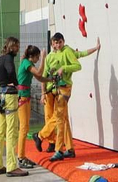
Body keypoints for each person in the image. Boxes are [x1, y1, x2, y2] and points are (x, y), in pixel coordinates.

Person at [40, 32, 98, 162]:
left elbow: (78, 63)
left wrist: (64, 68)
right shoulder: (50, 57)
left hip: (63, 89)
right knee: (60, 118)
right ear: (52, 44)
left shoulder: (67, 51)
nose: (58, 45)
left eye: (60, 42)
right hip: (53, 90)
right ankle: (69, 149)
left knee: (58, 118)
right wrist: (43, 92)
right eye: (55, 43)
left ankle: (51, 144)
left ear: (63, 41)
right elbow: (81, 54)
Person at [0, 37, 28, 177]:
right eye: (17, 46)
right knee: (12, 131)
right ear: (12, 47)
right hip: (10, 96)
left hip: (1, 96)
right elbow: (11, 71)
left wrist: (2, 82)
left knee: (0, 131)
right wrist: (15, 84)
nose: (18, 49)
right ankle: (12, 166)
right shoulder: (8, 59)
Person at [15, 45, 45, 165]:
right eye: (37, 57)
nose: (38, 59)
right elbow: (39, 73)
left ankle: (22, 156)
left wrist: (50, 79)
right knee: (23, 128)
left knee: (26, 127)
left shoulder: (28, 63)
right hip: (22, 97)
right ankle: (21, 157)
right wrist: (44, 58)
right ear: (32, 56)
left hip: (26, 97)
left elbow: (39, 77)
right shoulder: (27, 63)